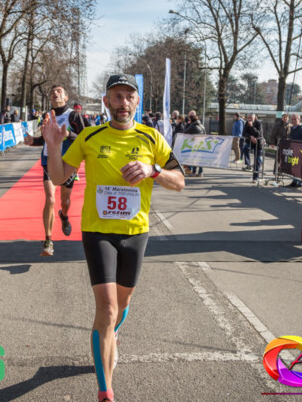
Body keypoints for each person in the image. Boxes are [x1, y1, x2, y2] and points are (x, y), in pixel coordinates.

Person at [41, 73, 185, 402]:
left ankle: (112, 334)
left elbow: (180, 181)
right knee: (106, 309)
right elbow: (60, 177)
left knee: (122, 304)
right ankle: (105, 390)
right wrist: (53, 145)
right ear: (106, 101)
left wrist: (153, 171)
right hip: (98, 232)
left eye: (129, 97)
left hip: (135, 233)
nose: (123, 102)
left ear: (137, 102)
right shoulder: (89, 137)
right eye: (117, 96)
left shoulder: (152, 138)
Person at [23, 85, 79, 256]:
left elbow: (86, 138)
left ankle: (64, 216)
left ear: (66, 97)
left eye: (59, 91)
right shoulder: (47, 116)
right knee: (50, 199)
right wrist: (34, 141)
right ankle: (48, 240)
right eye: (53, 92)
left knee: (65, 202)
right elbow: (46, 138)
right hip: (49, 160)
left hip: (68, 162)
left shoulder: (73, 116)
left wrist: (68, 135)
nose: (55, 93)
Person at [183, 110, 206, 177]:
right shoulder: (202, 125)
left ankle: (194, 172)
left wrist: (188, 124)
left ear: (191, 120)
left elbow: (185, 132)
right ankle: (200, 172)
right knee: (200, 158)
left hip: (194, 144)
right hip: (201, 143)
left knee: (194, 158)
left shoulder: (192, 126)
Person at [242, 113, 263, 181]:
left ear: (254, 117)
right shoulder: (246, 123)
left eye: (250, 117)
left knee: (257, 161)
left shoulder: (258, 123)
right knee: (245, 148)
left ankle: (255, 177)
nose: (249, 119)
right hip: (250, 142)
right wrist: (250, 136)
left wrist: (251, 126)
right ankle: (248, 164)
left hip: (258, 144)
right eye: (248, 117)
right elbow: (244, 133)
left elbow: (259, 134)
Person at [287, 114, 302, 187]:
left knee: (299, 167)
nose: (293, 121)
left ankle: (300, 182)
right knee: (294, 166)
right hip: (293, 150)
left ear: (299, 119)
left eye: (294, 119)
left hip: (300, 151)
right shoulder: (292, 128)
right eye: (292, 119)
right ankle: (294, 181)